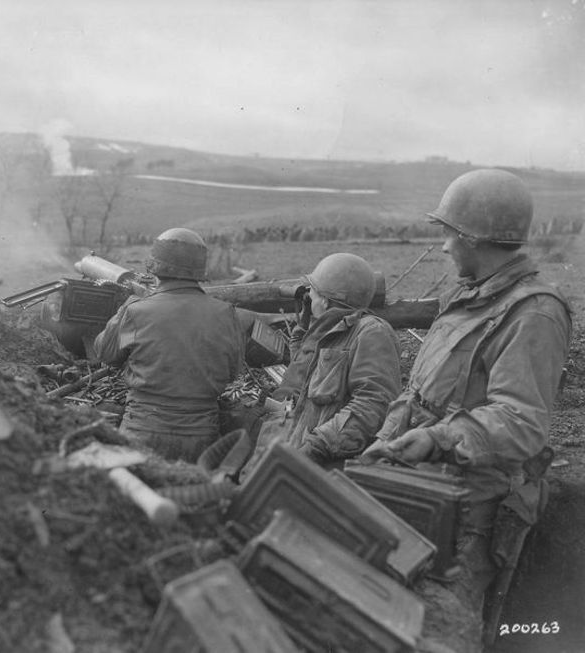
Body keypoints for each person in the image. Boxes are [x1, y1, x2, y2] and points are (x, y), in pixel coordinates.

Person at [361, 169, 572, 650]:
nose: (442, 247)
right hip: (421, 488)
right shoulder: (468, 300)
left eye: (448, 233)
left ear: (474, 238)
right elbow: (418, 395)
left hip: (471, 509)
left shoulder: (533, 313)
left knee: (445, 629)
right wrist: (380, 447)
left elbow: (521, 422)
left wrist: (439, 437)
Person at [93, 228, 246, 463]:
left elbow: (105, 353)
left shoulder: (136, 310)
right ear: (199, 272)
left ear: (154, 269)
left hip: (142, 430)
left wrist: (126, 308)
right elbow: (233, 372)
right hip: (202, 436)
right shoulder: (226, 313)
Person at [241, 252, 402, 474]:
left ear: (325, 299)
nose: (310, 296)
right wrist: (305, 323)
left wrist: (316, 447)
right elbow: (303, 370)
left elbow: (373, 405)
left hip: (323, 466)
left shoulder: (371, 332)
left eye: (313, 292)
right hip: (293, 454)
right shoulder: (327, 331)